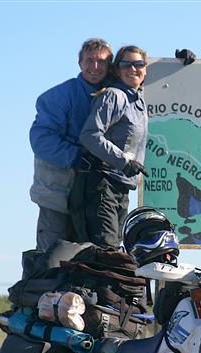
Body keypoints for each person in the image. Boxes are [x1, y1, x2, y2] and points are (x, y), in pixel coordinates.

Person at [28, 38, 112, 251]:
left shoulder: (116, 95)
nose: (95, 67)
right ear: (79, 63)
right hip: (58, 197)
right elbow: (41, 140)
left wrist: (182, 68)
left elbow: (138, 75)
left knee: (95, 262)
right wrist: (77, 156)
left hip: (95, 200)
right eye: (89, 60)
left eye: (102, 62)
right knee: (50, 262)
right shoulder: (58, 97)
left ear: (110, 66)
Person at [73, 45, 150, 249]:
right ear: (117, 69)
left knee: (115, 250)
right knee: (105, 252)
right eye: (126, 64)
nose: (133, 69)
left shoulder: (137, 100)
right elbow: (90, 135)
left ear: (146, 69)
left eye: (139, 64)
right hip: (101, 183)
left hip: (122, 187)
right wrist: (124, 161)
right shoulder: (115, 96)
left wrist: (184, 65)